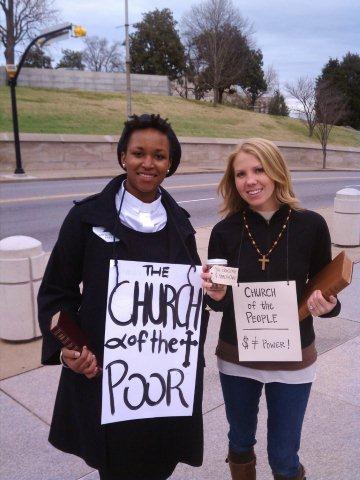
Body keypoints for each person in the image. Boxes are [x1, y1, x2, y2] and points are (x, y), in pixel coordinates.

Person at [38, 113, 208, 480]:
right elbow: (56, 293)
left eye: (159, 156)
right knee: (117, 468)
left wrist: (212, 291)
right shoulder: (86, 218)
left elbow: (190, 301)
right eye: (138, 153)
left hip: (163, 385)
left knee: (159, 465)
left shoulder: (180, 225)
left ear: (170, 164)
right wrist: (69, 349)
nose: (148, 163)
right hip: (106, 379)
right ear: (122, 157)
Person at [201, 138, 340, 480]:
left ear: (276, 170)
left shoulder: (311, 225)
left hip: (293, 360)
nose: (250, 180)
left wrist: (328, 305)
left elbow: (326, 290)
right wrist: (214, 295)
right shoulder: (225, 231)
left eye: (258, 169)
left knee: (283, 456)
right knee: (239, 441)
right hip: (237, 359)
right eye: (240, 174)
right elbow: (218, 300)